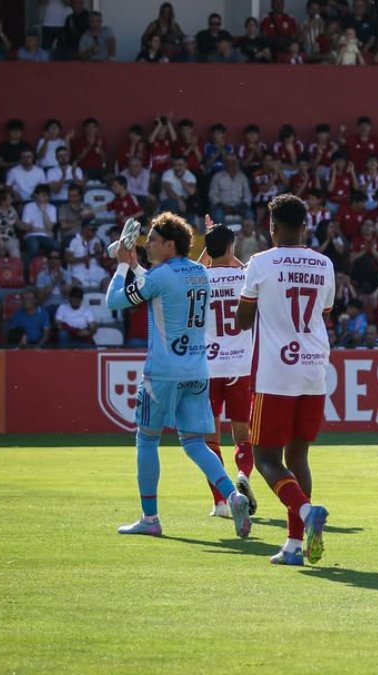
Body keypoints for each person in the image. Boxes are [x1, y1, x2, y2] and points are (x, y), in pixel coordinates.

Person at [106, 214, 252, 540]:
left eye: (154, 240)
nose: (149, 245)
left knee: (147, 438)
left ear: (170, 244)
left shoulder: (160, 276)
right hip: (198, 370)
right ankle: (233, 495)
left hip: (163, 372)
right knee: (195, 443)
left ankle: (150, 517)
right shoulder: (200, 272)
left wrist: (121, 267)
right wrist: (135, 265)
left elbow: (114, 300)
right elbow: (165, 288)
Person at [232, 195, 332, 565]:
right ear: (305, 226)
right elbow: (324, 311)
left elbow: (243, 321)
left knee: (266, 458)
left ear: (271, 228)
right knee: (298, 455)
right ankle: (293, 545)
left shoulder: (260, 262)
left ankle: (306, 515)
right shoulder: (324, 263)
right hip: (314, 366)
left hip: (276, 372)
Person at [199, 224, 257, 519]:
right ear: (232, 247)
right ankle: (244, 472)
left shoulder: (201, 277)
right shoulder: (245, 276)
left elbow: (194, 272)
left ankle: (221, 502)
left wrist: (207, 251)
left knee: (210, 437)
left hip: (208, 366)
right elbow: (242, 266)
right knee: (242, 433)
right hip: (240, 363)